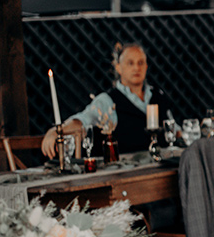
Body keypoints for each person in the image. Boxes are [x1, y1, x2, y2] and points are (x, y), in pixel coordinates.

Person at [41, 42, 175, 158]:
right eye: (130, 63)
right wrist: (57, 131)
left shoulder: (158, 96)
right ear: (118, 67)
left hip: (160, 169)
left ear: (146, 67)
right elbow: (82, 121)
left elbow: (174, 130)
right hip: (126, 174)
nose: (136, 68)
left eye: (140, 63)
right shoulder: (108, 101)